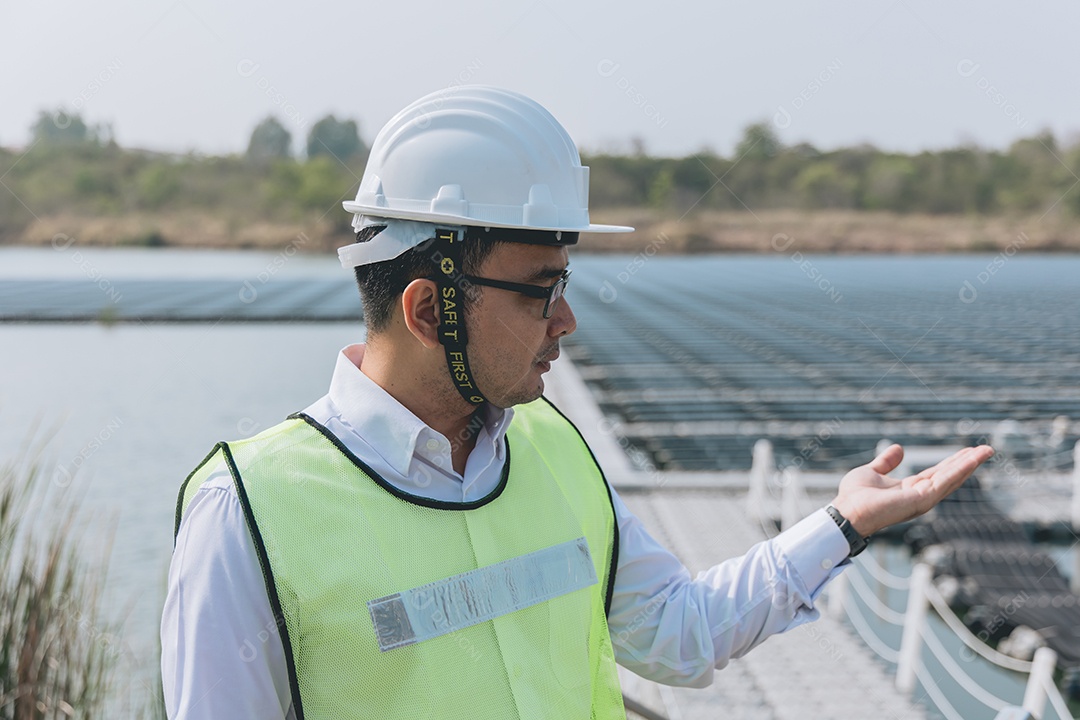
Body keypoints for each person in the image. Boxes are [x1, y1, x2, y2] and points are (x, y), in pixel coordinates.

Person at [161, 86, 994, 719]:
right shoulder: (249, 515)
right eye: (538, 291)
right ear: (425, 310)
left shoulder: (552, 450)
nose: (566, 319)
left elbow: (677, 632)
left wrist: (842, 524)